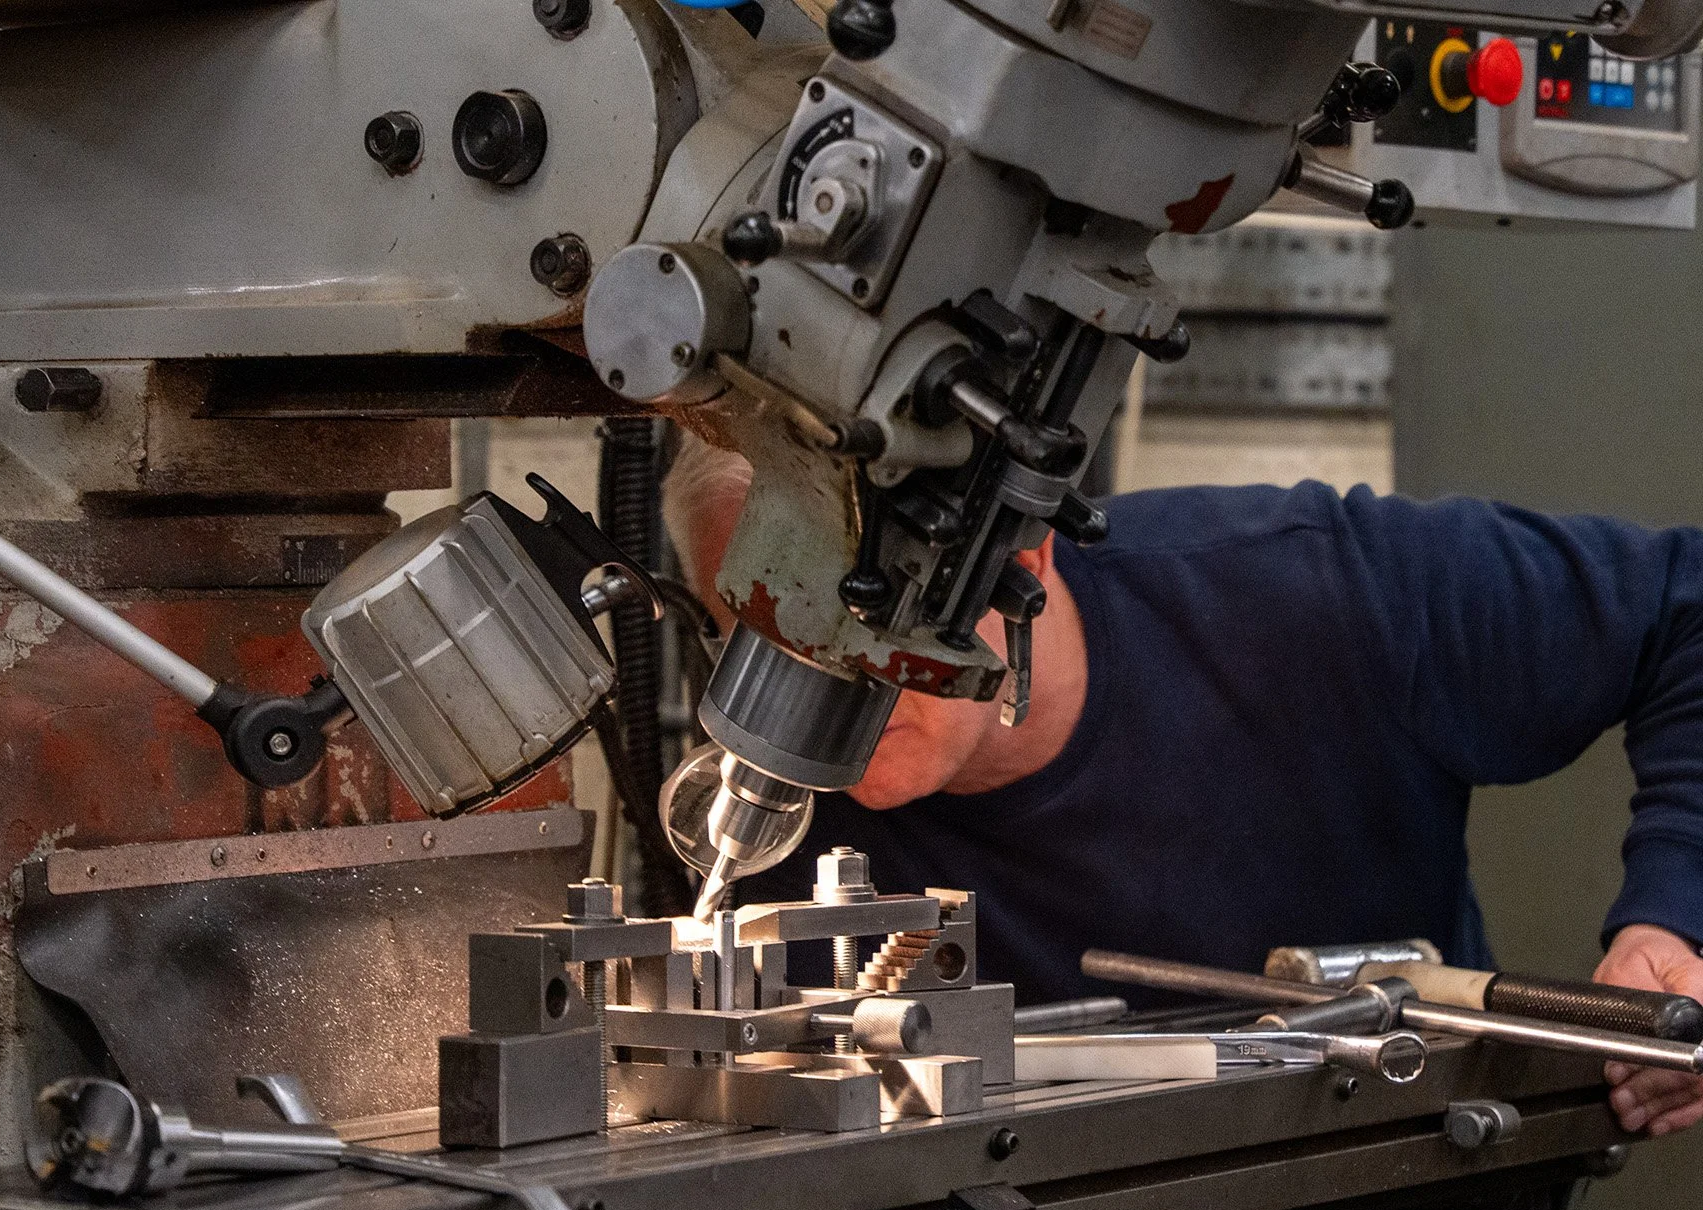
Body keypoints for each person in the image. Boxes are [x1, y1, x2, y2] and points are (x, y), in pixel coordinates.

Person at [663, 435, 1703, 1140]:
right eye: (762, 635)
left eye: (863, 618)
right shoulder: (757, 811)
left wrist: (1675, 919)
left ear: (1020, 552)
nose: (826, 688)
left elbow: (1683, 610)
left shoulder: (1316, 593)